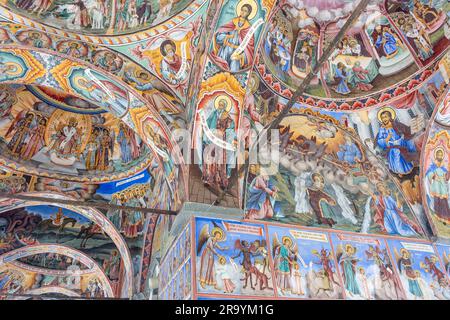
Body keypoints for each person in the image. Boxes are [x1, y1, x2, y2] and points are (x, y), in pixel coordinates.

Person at [211, 4, 255, 71]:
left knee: (233, 70)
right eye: (242, 10)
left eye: (245, 11)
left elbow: (249, 49)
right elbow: (219, 34)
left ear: (248, 13)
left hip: (237, 52)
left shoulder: (249, 29)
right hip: (225, 50)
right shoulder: (233, 22)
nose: (243, 12)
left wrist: (241, 56)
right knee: (219, 69)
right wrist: (226, 36)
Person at [375, 108, 416, 175]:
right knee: (397, 161)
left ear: (390, 117)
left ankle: (406, 168)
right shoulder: (382, 129)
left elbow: (406, 130)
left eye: (385, 117)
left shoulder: (397, 124)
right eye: (382, 118)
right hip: (392, 148)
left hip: (401, 144)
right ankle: (399, 170)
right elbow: (380, 141)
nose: (384, 119)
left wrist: (403, 135)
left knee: (404, 158)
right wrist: (387, 139)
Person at [425, 147, 450, 224]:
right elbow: (428, 175)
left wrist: (447, 174)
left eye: (441, 155)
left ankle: (445, 217)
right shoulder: (433, 166)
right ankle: (438, 216)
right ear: (436, 156)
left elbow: (446, 178)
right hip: (436, 187)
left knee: (444, 202)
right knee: (437, 201)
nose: (439, 156)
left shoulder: (443, 167)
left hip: (442, 187)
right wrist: (432, 175)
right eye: (438, 154)